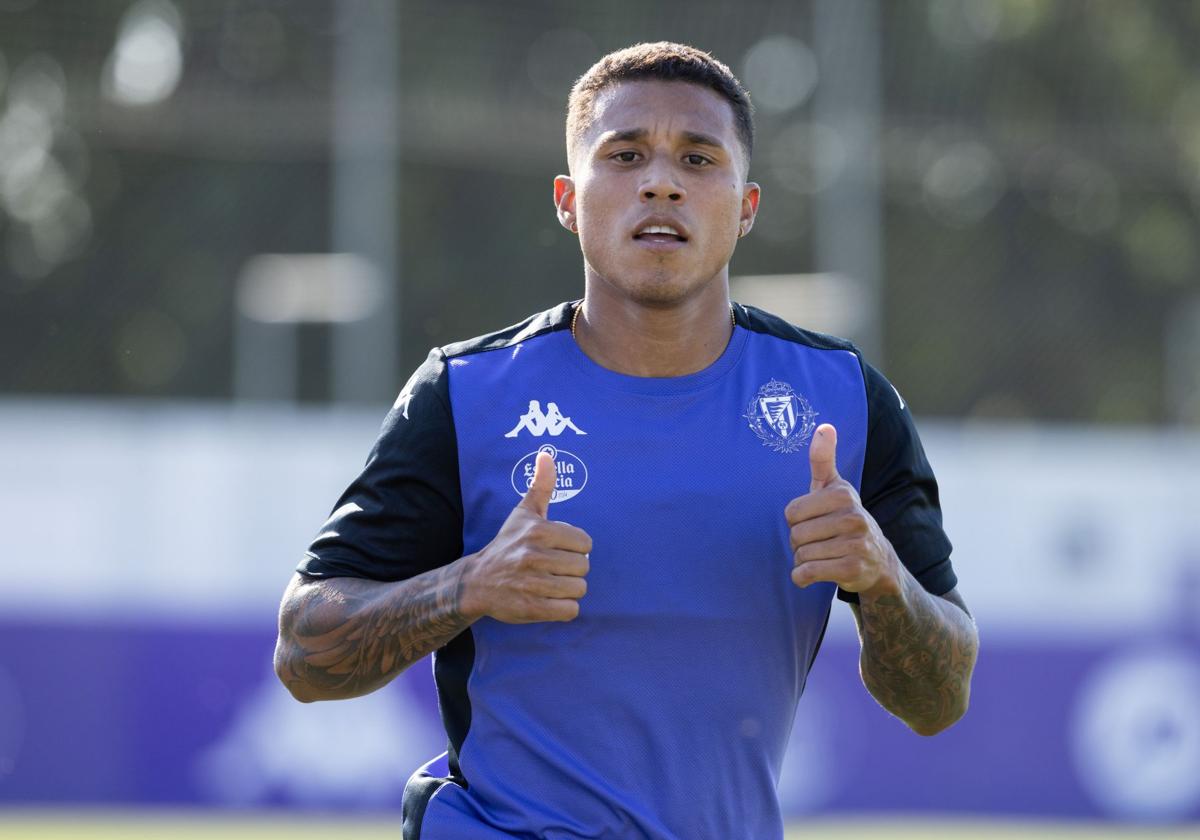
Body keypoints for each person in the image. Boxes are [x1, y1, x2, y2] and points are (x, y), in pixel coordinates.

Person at [274, 41, 979, 840]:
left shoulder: (844, 403)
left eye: (698, 157)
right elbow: (303, 651)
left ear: (746, 207)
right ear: (568, 200)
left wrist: (885, 581)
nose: (661, 181)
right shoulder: (466, 394)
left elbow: (940, 699)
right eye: (626, 154)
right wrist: (469, 585)